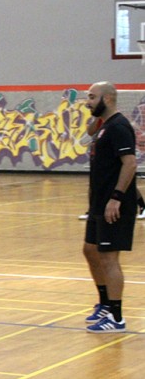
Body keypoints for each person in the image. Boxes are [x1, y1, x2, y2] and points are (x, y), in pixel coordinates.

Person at [82, 82, 137, 333]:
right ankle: (105, 303)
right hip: (98, 202)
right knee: (90, 250)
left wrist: (116, 198)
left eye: (92, 97)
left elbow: (130, 164)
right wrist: (96, 115)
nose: (88, 102)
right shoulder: (104, 126)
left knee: (108, 258)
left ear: (108, 98)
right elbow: (89, 130)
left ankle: (116, 318)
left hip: (113, 205)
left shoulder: (119, 127)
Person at [79, 116, 145, 220]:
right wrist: (97, 119)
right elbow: (90, 132)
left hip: (116, 159)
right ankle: (91, 211)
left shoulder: (117, 123)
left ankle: (142, 206)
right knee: (93, 184)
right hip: (99, 158)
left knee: (128, 185)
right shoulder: (100, 120)